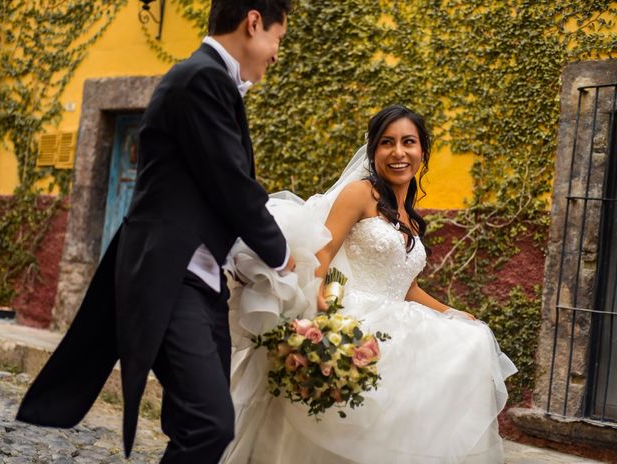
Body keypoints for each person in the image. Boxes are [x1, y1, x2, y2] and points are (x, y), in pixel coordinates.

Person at [17, 0, 293, 462]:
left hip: (203, 281)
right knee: (209, 424)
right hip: (170, 277)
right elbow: (231, 183)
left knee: (195, 423)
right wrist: (284, 256)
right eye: (277, 39)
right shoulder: (199, 79)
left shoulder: (208, 81)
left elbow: (206, 188)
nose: (275, 55)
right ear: (252, 23)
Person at [222, 105, 517, 463]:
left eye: (408, 142)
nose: (398, 153)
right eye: (387, 143)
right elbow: (323, 255)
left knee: (469, 341)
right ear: (373, 150)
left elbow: (406, 287)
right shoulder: (360, 194)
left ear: (422, 151)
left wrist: (452, 311)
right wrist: (325, 317)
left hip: (401, 321)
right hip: (354, 314)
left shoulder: (409, 215)